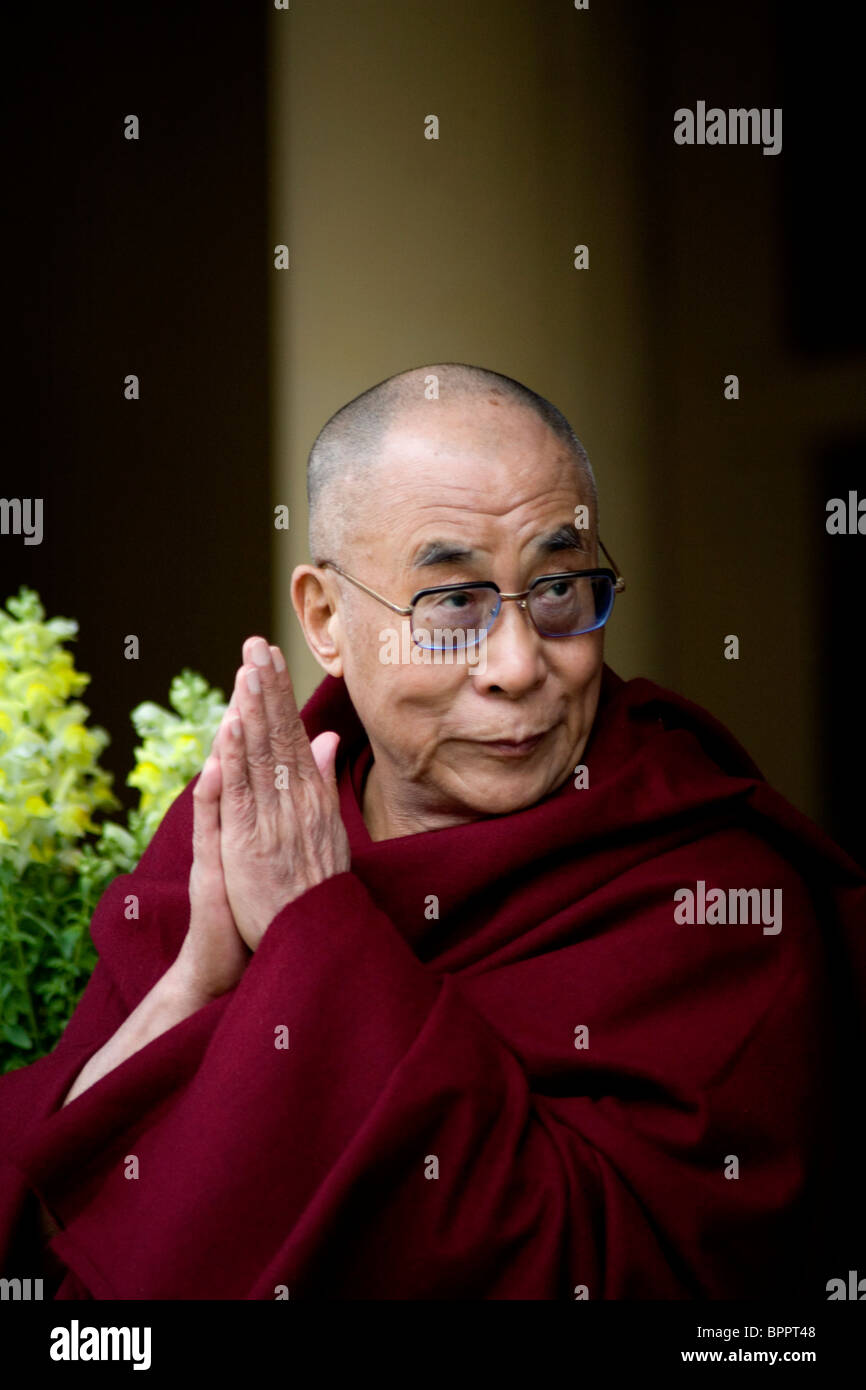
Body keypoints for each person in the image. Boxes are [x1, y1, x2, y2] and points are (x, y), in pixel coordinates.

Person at [0, 363, 863, 1300]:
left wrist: (317, 938)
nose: (520, 665)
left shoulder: (709, 892)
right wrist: (197, 985)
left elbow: (620, 1275)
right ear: (326, 620)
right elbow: (42, 1213)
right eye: (454, 605)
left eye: (560, 588)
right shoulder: (253, 834)